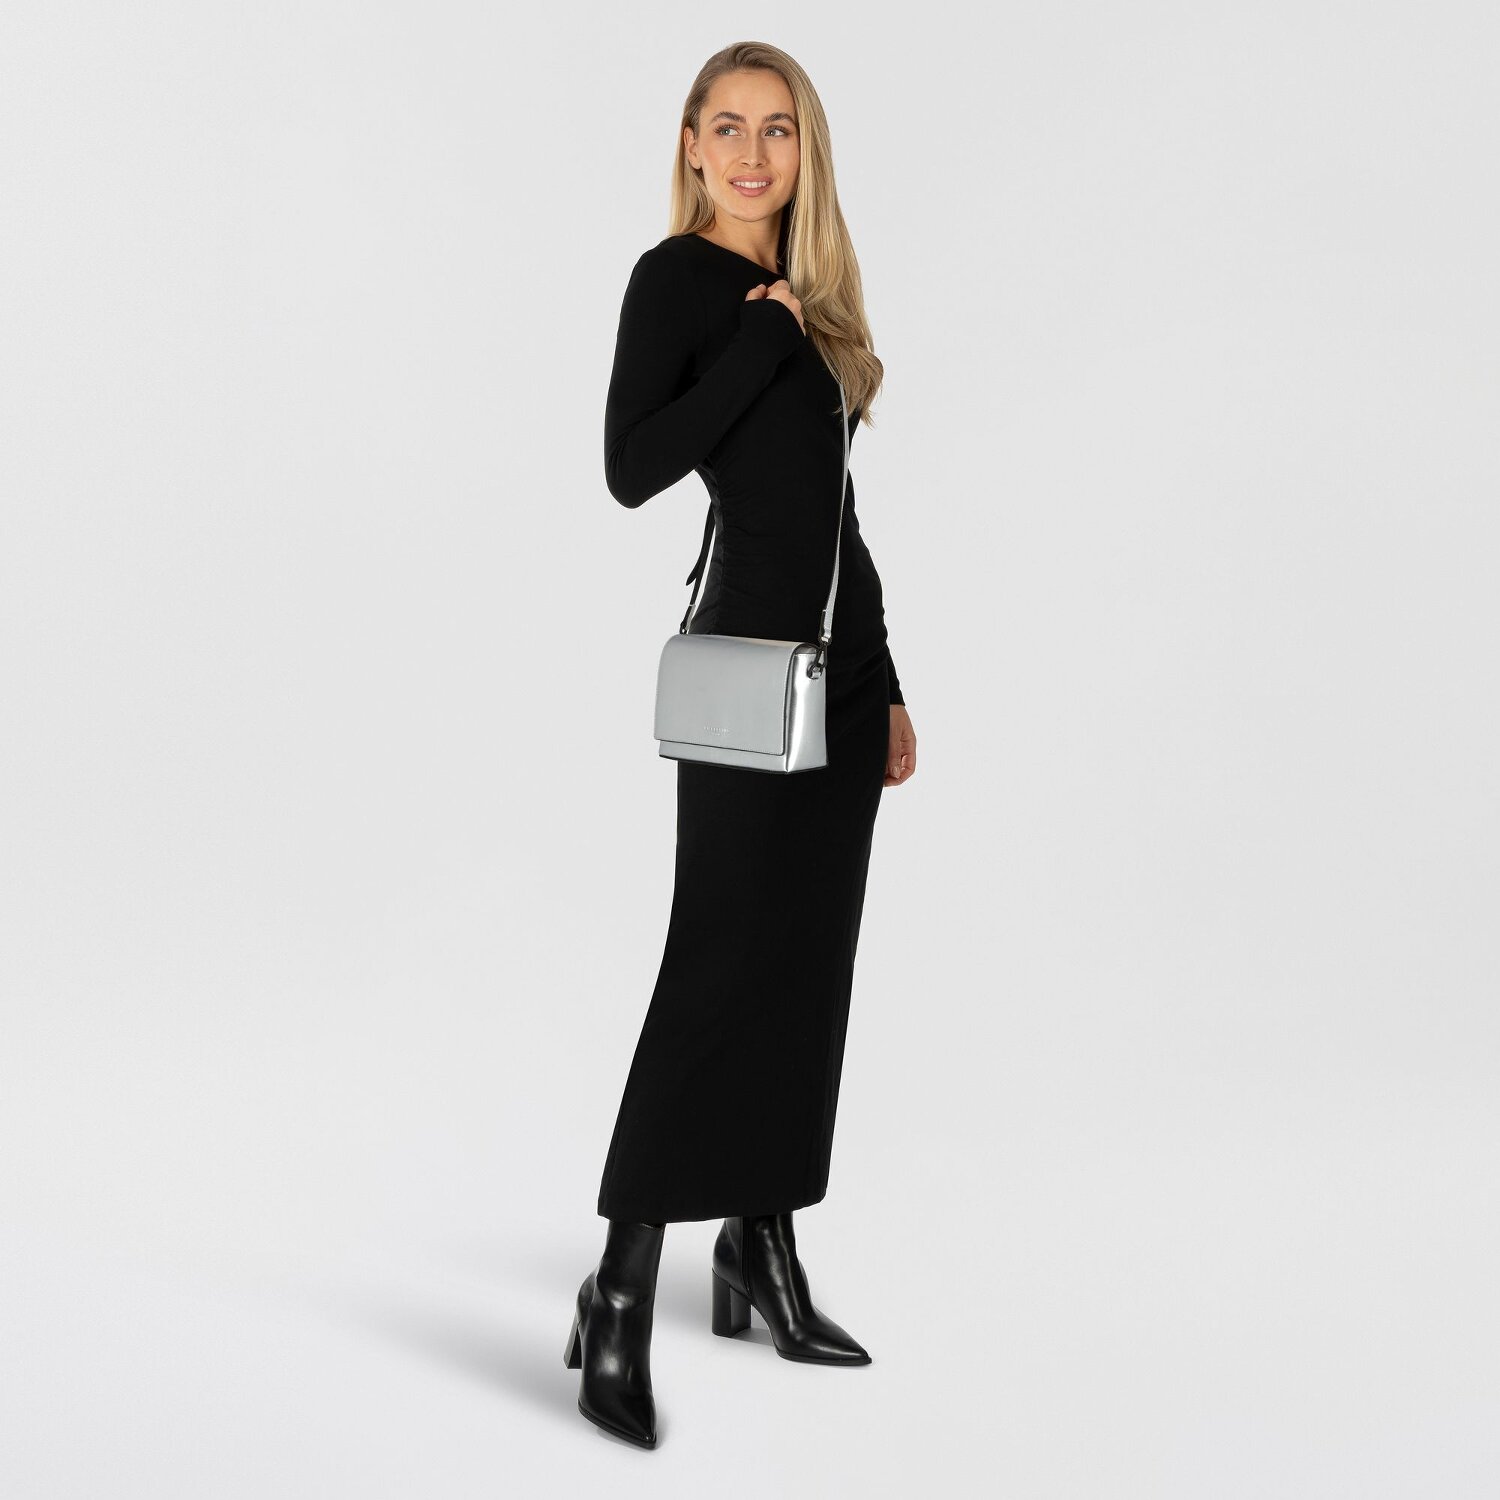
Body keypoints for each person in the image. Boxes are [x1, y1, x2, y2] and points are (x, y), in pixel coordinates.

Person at [564, 41, 919, 1449]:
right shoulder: (678, 283)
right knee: (714, 967)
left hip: (835, 681)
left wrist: (888, 681)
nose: (754, 154)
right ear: (693, 146)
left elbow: (834, 518)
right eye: (729, 128)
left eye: (778, 130)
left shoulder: (815, 303)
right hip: (742, 679)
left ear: (803, 151)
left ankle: (760, 1248)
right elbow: (631, 467)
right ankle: (619, 1287)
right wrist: (761, 350)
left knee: (804, 966)